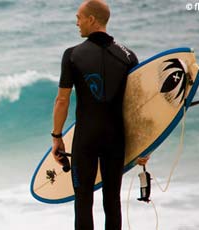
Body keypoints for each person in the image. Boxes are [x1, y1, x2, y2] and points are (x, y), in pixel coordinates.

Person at [50, 1, 140, 229]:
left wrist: (57, 136)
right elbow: (137, 106)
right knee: (113, 201)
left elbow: (62, 100)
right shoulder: (128, 56)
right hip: (116, 138)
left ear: (92, 19)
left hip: (86, 139)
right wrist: (143, 145)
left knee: (83, 201)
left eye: (79, 17)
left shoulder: (72, 55)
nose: (76, 22)